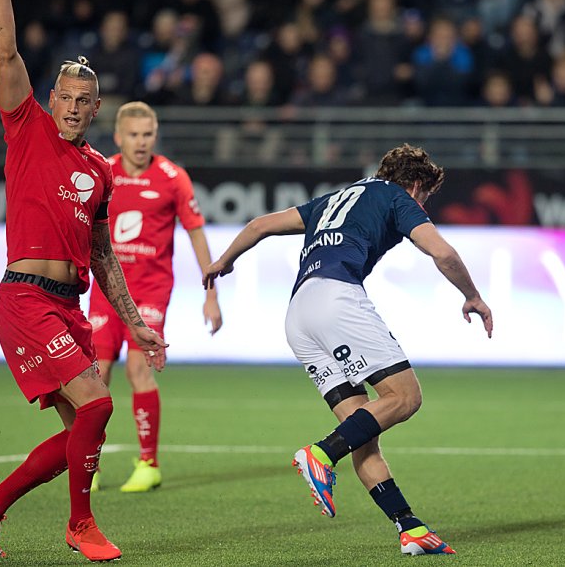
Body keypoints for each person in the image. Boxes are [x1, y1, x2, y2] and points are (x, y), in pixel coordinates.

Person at [0, 0, 167, 562]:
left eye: (84, 100)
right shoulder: (26, 126)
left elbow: (103, 255)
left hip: (68, 304)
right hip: (23, 298)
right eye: (66, 96)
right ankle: (80, 526)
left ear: (97, 108)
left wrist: (134, 323)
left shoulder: (101, 172)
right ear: (51, 98)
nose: (73, 107)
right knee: (99, 403)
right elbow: (4, 49)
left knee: (83, 427)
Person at [202, 144, 493, 556]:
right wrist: (473, 295)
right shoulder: (397, 196)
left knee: (362, 429)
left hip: (298, 313)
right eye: (425, 196)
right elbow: (441, 252)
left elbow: (260, 224)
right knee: (406, 397)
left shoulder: (335, 198)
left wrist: (224, 261)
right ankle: (321, 453)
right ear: (415, 186)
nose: (424, 204)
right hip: (338, 299)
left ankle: (409, 527)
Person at [88, 101, 223, 493]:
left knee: (137, 369)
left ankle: (149, 464)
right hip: (106, 290)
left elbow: (196, 232)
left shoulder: (172, 177)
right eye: (133, 135)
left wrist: (210, 293)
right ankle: (89, 464)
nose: (141, 142)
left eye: (147, 134)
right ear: (118, 137)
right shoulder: (103, 171)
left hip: (150, 290)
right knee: (96, 375)